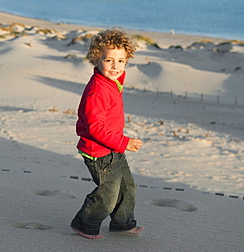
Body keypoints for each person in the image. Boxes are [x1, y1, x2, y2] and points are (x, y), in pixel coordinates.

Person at [70, 28, 144, 239]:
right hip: (98, 152)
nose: (115, 66)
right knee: (107, 194)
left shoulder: (112, 82)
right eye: (109, 60)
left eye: (121, 61)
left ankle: (123, 223)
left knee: (128, 187)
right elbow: (94, 128)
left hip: (113, 147)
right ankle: (85, 223)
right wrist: (124, 142)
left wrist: (119, 143)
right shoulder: (97, 90)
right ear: (96, 59)